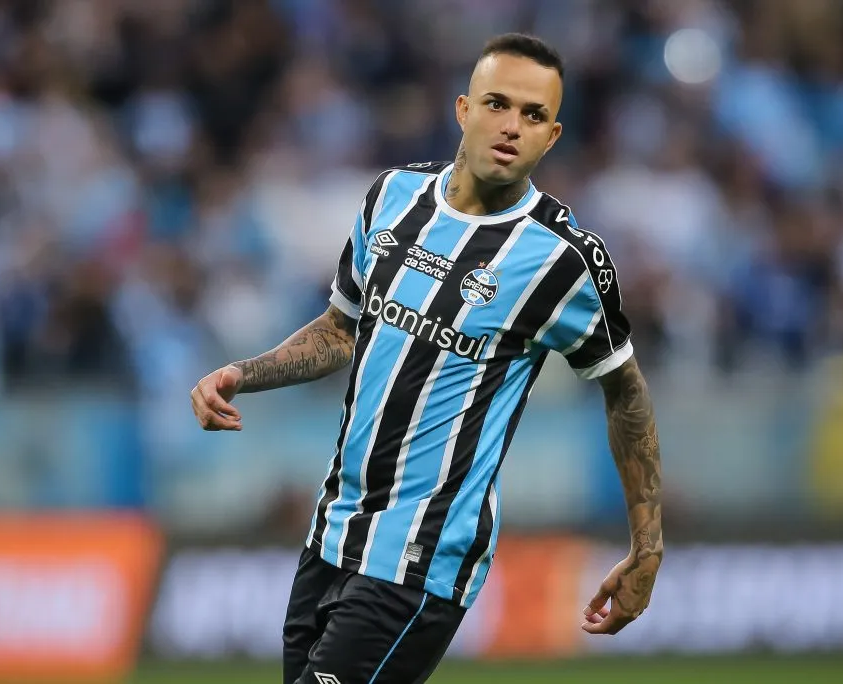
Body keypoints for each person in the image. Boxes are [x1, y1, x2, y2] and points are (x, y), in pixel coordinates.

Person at [191, 32, 663, 684]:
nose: (511, 126)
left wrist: (647, 546)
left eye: (532, 116)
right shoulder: (391, 198)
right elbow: (340, 328)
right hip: (331, 535)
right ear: (463, 109)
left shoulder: (566, 260)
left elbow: (626, 394)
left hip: (421, 557)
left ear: (552, 137)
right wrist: (245, 373)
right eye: (498, 104)